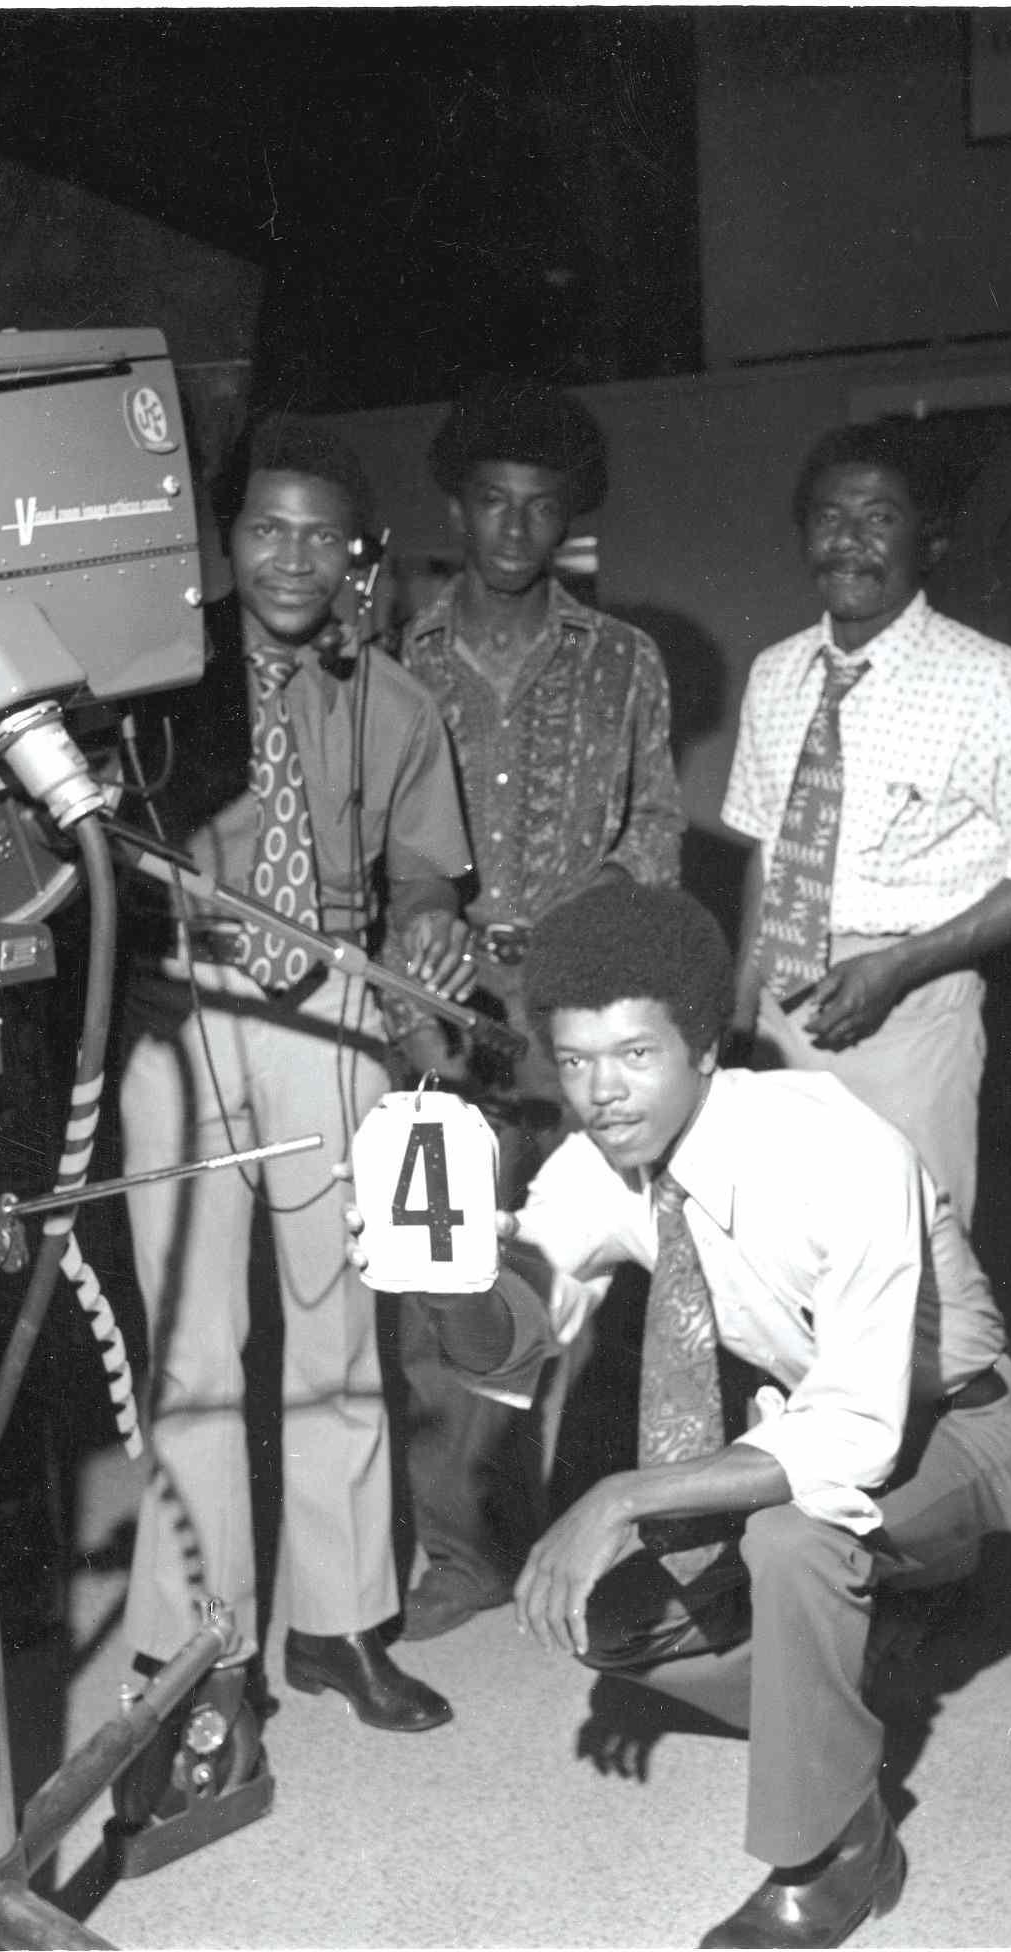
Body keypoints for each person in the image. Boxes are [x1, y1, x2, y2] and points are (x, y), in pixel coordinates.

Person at [345, 878, 1011, 1947]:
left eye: (634, 1055)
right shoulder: (596, 1167)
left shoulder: (835, 1148)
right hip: (806, 1424)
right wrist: (438, 1281)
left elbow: (856, 1430)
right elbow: (520, 1342)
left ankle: (826, 1856)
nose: (601, 1093)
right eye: (575, 1061)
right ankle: (842, 1728)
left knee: (790, 1533)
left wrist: (624, 1495)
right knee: (597, 1617)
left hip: (969, 1425)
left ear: (703, 1050)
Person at [114, 413, 475, 1819]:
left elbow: (427, 875)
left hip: (328, 1008)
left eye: (321, 533)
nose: (290, 556)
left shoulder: (392, 699)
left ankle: (337, 1626)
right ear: (223, 540)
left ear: (358, 556)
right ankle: (195, 1650)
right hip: (180, 1010)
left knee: (336, 1334)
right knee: (197, 1344)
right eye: (265, 527)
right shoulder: (160, 684)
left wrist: (432, 932)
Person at [395, 376, 686, 1640]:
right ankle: (460, 1548)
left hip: (573, 1009)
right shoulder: (390, 662)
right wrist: (416, 924)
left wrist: (585, 925)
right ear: (457, 510)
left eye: (538, 508)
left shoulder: (623, 661)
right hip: (431, 1014)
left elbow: (658, 832)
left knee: (570, 1278)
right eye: (492, 503)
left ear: (566, 519)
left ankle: (572, 1531)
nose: (514, 529)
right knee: (437, 1277)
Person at [723, 415, 1011, 1229]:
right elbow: (766, 852)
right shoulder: (774, 675)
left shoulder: (988, 680)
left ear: (931, 541)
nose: (848, 542)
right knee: (788, 1250)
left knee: (913, 1259)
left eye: (879, 518)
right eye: (828, 518)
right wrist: (741, 1010)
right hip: (781, 1004)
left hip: (909, 1013)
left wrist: (901, 966)